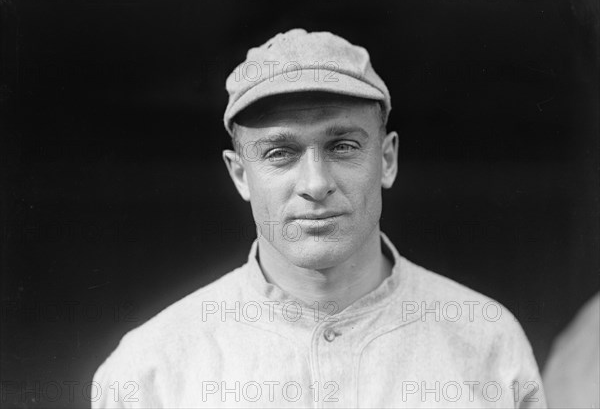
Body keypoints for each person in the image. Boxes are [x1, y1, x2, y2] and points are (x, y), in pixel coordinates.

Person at [92, 28, 546, 408]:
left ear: (386, 160)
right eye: (279, 152)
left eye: (343, 146)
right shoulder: (150, 373)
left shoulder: (486, 342)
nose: (315, 182)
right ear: (240, 174)